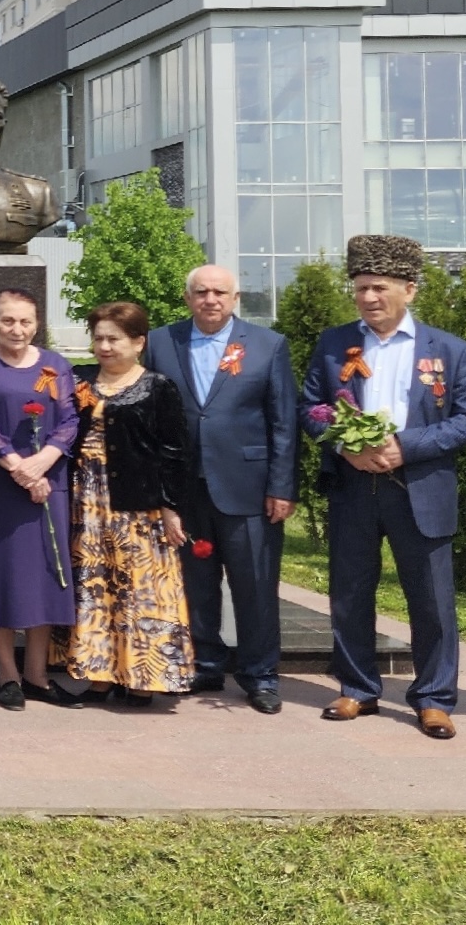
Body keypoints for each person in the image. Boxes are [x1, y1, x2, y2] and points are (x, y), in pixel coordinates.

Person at [301, 233, 466, 740]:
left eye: (378, 287)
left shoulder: (450, 350)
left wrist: (408, 446)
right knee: (350, 592)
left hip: (419, 486)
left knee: (431, 599)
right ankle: (358, 689)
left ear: (410, 289)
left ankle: (433, 698)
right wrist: (345, 447)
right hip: (354, 487)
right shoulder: (336, 343)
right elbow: (310, 408)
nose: (368, 298)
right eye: (360, 288)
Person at [142, 265, 299, 715]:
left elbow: (283, 422)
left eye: (220, 292)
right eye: (201, 292)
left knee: (255, 584)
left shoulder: (268, 345)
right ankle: (204, 663)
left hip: (249, 488)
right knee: (195, 582)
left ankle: (260, 674)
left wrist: (282, 486)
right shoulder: (160, 341)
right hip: (185, 489)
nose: (210, 299)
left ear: (235, 298)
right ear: (188, 297)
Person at [64, 301, 195, 705]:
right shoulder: (79, 382)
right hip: (87, 503)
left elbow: (174, 451)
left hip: (139, 507)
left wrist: (171, 507)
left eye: (114, 339)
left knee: (140, 591)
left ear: (139, 342)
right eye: (98, 338)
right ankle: (99, 675)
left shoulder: (158, 387)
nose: (104, 346)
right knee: (94, 586)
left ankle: (142, 678)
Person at [0, 288, 78, 710]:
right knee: (4, 577)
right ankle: (7, 673)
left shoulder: (55, 364)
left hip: (48, 485)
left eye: (26, 321)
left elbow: (68, 419)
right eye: (8, 321)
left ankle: (37, 674)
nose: (17, 329)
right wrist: (18, 467)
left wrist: (42, 463)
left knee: (47, 576)